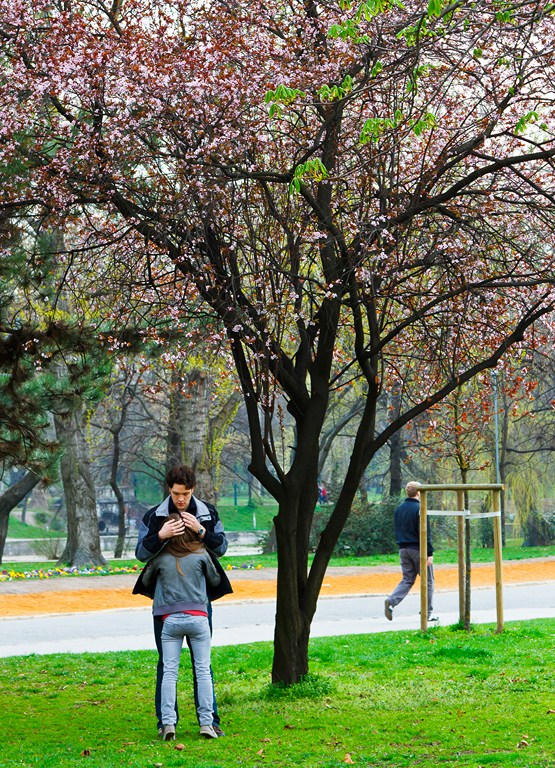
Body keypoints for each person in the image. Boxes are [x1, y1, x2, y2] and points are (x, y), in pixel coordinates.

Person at [133, 465, 232, 738]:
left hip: (200, 604)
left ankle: (210, 721)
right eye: (177, 493)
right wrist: (161, 536)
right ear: (169, 489)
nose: (181, 499)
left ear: (193, 490)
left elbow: (222, 548)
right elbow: (141, 553)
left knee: (203, 665)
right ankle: (166, 723)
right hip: (163, 605)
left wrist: (201, 531)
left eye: (186, 494)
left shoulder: (208, 513)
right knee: (166, 664)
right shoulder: (154, 516)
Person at [142, 514, 221, 740]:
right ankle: (207, 723)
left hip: (171, 621)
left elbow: (146, 580)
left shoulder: (161, 557)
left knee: (169, 672)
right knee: (203, 670)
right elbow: (215, 581)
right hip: (198, 618)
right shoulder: (201, 554)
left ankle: (168, 724)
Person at [384, 481, 438, 622]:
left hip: (403, 549)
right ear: (419, 492)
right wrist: (429, 552)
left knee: (407, 579)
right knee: (428, 581)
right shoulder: (421, 509)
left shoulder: (399, 509)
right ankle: (426, 613)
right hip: (418, 549)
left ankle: (391, 600)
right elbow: (424, 532)